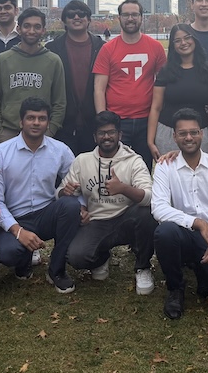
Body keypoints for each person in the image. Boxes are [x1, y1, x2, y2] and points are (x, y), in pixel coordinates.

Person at [152, 109, 208, 320]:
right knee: (164, 232)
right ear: (174, 136)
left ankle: (203, 271)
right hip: (182, 233)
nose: (189, 137)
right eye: (182, 133)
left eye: (193, 132)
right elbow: (158, 208)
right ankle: (175, 288)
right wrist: (198, 223)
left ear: (202, 133)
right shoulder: (165, 167)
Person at [58, 111, 157, 294]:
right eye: (102, 133)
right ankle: (101, 257)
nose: (107, 137)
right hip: (97, 222)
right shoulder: (82, 160)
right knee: (76, 257)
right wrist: (67, 194)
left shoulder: (133, 161)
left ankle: (142, 266)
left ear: (120, 135)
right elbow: (61, 193)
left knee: (147, 212)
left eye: (111, 132)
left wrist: (123, 188)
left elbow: (150, 196)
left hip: (126, 219)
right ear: (95, 137)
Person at [0, 97, 80, 293]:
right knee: (7, 254)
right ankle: (23, 263)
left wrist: (83, 206)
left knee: (72, 206)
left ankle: (56, 270)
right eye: (31, 118)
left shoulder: (60, 150)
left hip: (46, 213)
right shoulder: (0, 153)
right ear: (21, 122)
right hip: (15, 218)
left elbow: (76, 182)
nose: (36, 123)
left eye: (42, 118)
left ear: (48, 122)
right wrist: (18, 231)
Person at [93, 0, 167, 167]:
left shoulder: (155, 47)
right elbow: (99, 88)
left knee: (143, 169)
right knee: (115, 168)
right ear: (119, 18)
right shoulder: (108, 49)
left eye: (134, 14)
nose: (130, 18)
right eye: (126, 15)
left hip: (147, 119)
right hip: (117, 120)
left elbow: (165, 83)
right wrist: (103, 120)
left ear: (142, 17)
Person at [0, 7, 67, 144]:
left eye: (37, 27)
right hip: (9, 131)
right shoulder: (3, 59)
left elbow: (59, 102)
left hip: (42, 133)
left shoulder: (53, 61)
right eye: (27, 26)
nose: (31, 31)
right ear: (19, 29)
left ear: (43, 30)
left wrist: (51, 130)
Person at [147, 24, 208, 160]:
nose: (183, 43)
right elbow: (156, 107)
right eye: (177, 40)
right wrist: (150, 141)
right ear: (173, 45)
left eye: (187, 38)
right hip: (169, 133)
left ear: (194, 39)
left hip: (201, 133)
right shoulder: (166, 71)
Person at [48, 0, 105, 155]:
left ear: (89, 19)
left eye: (81, 14)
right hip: (62, 124)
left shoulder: (102, 47)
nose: (76, 17)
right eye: (71, 14)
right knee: (64, 176)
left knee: (92, 174)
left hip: (93, 122)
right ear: (65, 20)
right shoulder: (52, 49)